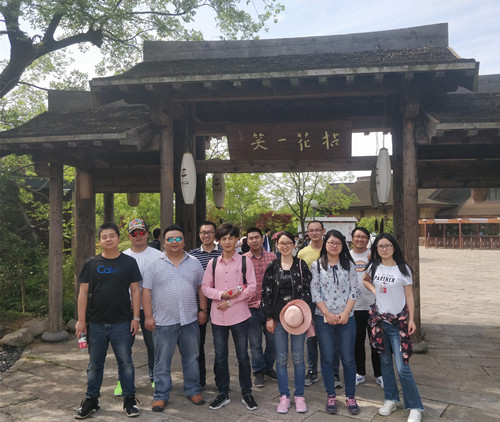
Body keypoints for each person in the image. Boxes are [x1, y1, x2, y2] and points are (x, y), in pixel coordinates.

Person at [74, 222, 141, 419]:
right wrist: (81, 321)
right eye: (104, 237)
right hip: (96, 323)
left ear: (118, 238)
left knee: (126, 363)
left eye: (112, 236)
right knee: (95, 365)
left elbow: (136, 291)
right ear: (99, 241)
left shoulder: (129, 263)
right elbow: (83, 293)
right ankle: (91, 400)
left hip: (122, 322)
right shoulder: (92, 264)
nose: (108, 239)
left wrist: (136, 318)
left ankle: (129, 400)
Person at [142, 224, 208, 412]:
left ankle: (193, 390)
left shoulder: (194, 262)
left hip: (189, 320)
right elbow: (146, 291)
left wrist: (203, 309)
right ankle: (160, 395)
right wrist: (148, 316)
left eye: (178, 238)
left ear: (184, 241)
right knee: (162, 361)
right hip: (163, 322)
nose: (174, 242)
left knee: (192, 358)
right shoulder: (154, 264)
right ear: (163, 242)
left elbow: (201, 288)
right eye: (170, 239)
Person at [363, 233, 424, 422]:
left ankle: (415, 406)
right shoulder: (374, 266)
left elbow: (410, 296)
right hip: (379, 322)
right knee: (385, 364)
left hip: (398, 324)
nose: (384, 249)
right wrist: (375, 291)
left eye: (387, 245)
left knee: (403, 367)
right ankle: (391, 399)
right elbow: (365, 280)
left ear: (394, 247)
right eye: (380, 246)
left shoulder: (403, 268)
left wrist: (412, 319)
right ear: (376, 249)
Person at [201, 223, 258, 411]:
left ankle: (247, 392)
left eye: (231, 238)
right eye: (223, 238)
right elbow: (205, 287)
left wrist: (231, 301)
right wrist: (222, 295)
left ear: (236, 240)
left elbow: (252, 287)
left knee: (243, 356)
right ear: (219, 241)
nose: (227, 242)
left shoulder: (244, 261)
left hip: (239, 315)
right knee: (220, 356)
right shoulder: (213, 263)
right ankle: (222, 392)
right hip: (218, 317)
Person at [261, 231, 312, 414]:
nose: (285, 246)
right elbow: (266, 292)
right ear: (277, 245)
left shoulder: (301, 265)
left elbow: (308, 290)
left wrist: (306, 313)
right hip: (278, 318)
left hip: (298, 318)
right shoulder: (273, 266)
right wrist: (268, 317)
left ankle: (299, 395)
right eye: (281, 243)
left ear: (294, 244)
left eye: (288, 243)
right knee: (281, 358)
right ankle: (284, 396)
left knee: (298, 357)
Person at [311, 229, 360, 416]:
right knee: (327, 358)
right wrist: (327, 313)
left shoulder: (349, 265)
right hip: (323, 319)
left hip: (347, 318)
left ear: (343, 245)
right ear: (325, 244)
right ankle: (331, 395)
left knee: (348, 358)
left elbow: (354, 291)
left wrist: (346, 313)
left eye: (338, 243)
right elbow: (315, 292)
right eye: (331, 242)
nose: (334, 246)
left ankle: (350, 396)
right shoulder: (317, 265)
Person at [113, 219, 163, 397]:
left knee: (154, 345)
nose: (139, 236)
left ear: (147, 234)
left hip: (152, 307)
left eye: (142, 232)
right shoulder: (122, 256)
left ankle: (156, 378)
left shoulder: (158, 255)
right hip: (127, 308)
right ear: (129, 236)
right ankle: (123, 380)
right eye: (135, 233)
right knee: (124, 346)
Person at [298, 220, 342, 387]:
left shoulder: (331, 248)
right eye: (311, 230)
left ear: (323, 231)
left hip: (331, 301)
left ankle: (334, 372)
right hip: (309, 301)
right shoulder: (302, 253)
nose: (314, 233)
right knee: (311, 337)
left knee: (333, 338)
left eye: (318, 230)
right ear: (307, 233)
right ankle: (312, 371)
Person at [188, 221, 222, 389]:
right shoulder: (192, 256)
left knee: (220, 345)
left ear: (214, 234)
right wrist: (202, 309)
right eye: (203, 232)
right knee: (197, 344)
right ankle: (200, 379)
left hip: (219, 304)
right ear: (199, 235)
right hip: (197, 305)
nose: (206, 235)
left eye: (209, 232)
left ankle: (220, 381)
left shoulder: (223, 253)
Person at [243, 227, 277, 387]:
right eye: (251, 238)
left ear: (262, 239)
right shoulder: (243, 259)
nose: (254, 240)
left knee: (273, 341)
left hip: (270, 307)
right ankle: (258, 372)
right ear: (247, 241)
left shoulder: (272, 257)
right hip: (251, 307)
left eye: (257, 237)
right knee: (255, 343)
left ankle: (268, 368)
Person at [350, 226, 383, 388]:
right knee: (357, 341)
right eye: (357, 236)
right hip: (354, 306)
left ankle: (380, 374)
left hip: (373, 305)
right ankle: (360, 372)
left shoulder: (375, 255)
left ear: (368, 239)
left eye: (363, 237)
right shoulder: (346, 255)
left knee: (376, 341)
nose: (360, 239)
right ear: (352, 238)